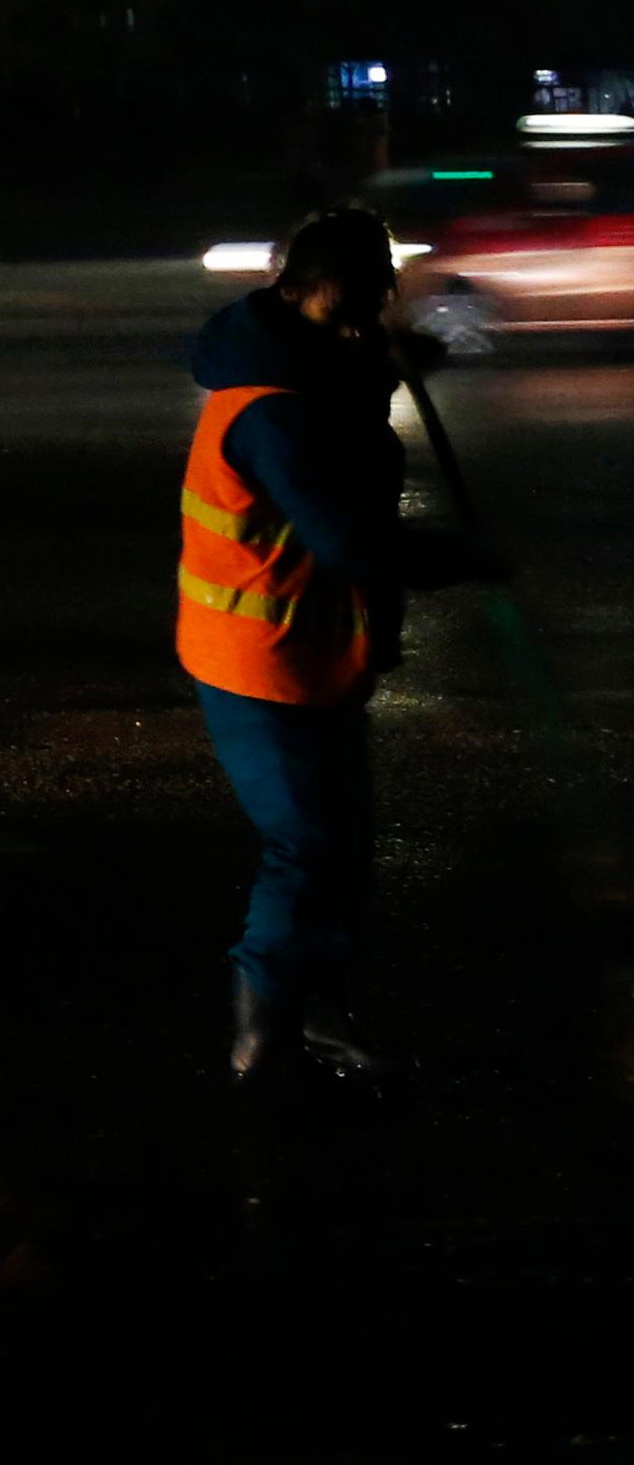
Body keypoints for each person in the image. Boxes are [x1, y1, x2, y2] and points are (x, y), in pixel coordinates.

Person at [179, 206, 492, 1078]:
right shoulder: (271, 409)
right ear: (299, 287)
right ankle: (263, 1028)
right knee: (307, 843)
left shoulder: (315, 364)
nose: (364, 316)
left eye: (377, 298)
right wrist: (461, 559)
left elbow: (348, 409)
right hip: (255, 659)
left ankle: (324, 1008)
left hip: (320, 651)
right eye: (348, 298)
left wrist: (388, 370)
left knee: (345, 840)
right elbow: (347, 536)